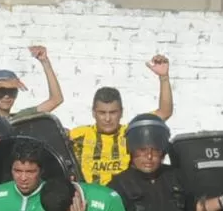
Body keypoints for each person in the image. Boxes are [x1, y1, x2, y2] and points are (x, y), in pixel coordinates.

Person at [69, 56, 174, 186]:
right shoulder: (79, 135)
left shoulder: (131, 133)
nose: (107, 119)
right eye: (102, 113)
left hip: (125, 198)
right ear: (93, 113)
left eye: (113, 112)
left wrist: (164, 78)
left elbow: (164, 112)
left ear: (121, 112)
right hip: (90, 199)